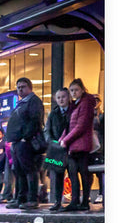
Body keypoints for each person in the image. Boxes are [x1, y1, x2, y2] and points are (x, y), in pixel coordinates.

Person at [58, 77, 101, 212]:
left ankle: (83, 201)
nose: (73, 92)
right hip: (73, 145)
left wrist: (66, 140)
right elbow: (70, 125)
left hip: (82, 145)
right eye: (71, 90)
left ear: (82, 90)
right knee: (73, 173)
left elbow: (80, 126)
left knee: (84, 174)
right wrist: (62, 138)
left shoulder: (86, 103)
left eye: (76, 90)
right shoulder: (75, 104)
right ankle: (75, 201)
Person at [3, 78, 45, 208]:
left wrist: (25, 138)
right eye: (18, 87)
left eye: (23, 87)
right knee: (19, 172)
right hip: (17, 142)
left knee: (30, 171)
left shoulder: (34, 101)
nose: (20, 89)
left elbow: (35, 121)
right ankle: (21, 198)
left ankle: (32, 199)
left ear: (30, 88)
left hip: (26, 142)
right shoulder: (21, 103)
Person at [43, 87, 73, 210]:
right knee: (57, 176)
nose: (61, 100)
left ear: (69, 98)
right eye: (59, 97)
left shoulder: (74, 111)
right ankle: (57, 201)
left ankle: (74, 201)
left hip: (71, 148)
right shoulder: (53, 114)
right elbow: (47, 131)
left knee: (73, 175)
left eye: (63, 97)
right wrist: (52, 142)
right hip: (56, 150)